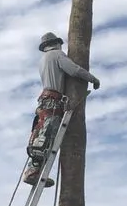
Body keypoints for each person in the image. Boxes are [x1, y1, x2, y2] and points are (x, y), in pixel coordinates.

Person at [23, 32, 101, 187]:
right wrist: (92, 78)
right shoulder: (57, 55)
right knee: (47, 135)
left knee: (41, 133)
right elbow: (74, 70)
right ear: (55, 43)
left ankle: (33, 169)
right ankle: (33, 171)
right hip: (53, 101)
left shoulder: (43, 60)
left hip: (44, 100)